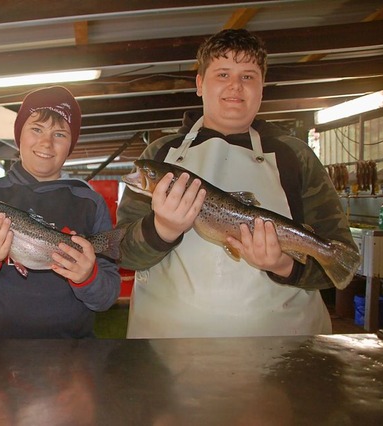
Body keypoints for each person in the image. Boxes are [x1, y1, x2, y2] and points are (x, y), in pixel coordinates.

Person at [116, 29, 357, 338]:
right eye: (223, 74)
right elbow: (122, 251)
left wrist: (285, 264)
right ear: (200, 84)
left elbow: (338, 262)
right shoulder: (161, 154)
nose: (235, 86)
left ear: (262, 87)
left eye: (248, 76)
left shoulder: (295, 155)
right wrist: (162, 228)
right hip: (168, 349)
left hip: (282, 352)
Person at [0, 85, 121, 338]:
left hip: (72, 356)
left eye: (60, 134)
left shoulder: (89, 202)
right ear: (19, 136)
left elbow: (106, 297)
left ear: (71, 144)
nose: (46, 142)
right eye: (36, 129)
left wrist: (87, 276)